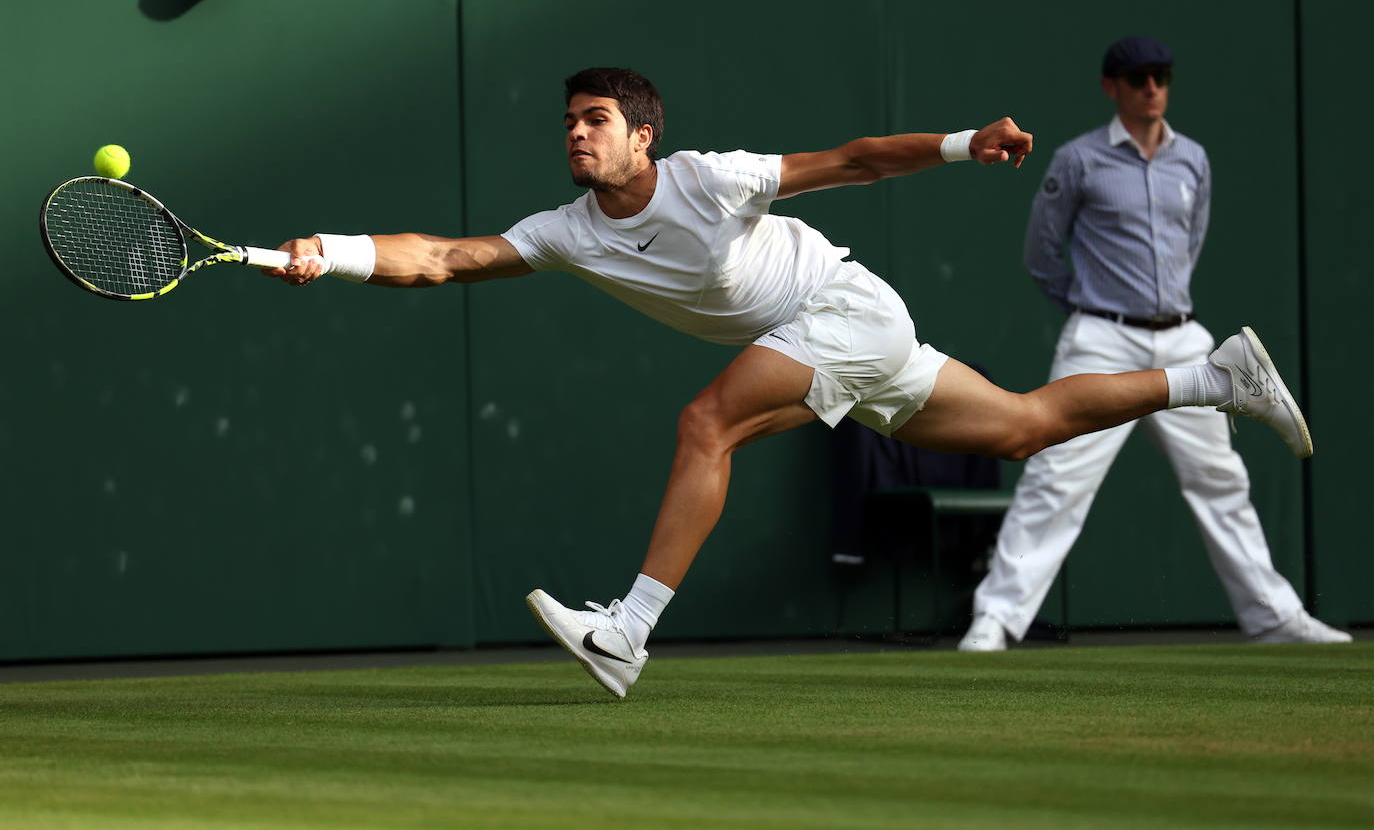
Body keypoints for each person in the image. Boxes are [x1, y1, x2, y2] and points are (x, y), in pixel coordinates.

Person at [267, 66, 1317, 697]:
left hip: (847, 312)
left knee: (705, 423)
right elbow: (446, 258)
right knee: (1026, 429)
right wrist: (338, 248)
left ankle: (628, 630)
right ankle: (1211, 377)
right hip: (846, 341)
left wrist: (968, 143)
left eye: (597, 120)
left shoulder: (708, 180)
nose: (578, 134)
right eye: (571, 121)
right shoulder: (569, 232)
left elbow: (854, 160)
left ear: (645, 134)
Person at [957, 37, 1351, 653]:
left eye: (1161, 76)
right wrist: (1095, 315)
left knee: (1221, 480)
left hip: (1185, 338)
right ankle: (996, 621)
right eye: (1138, 77)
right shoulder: (1078, 160)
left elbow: (1189, 245)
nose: (1152, 87)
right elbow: (1041, 254)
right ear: (1112, 86)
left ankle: (1275, 618)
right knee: (1056, 480)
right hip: (1100, 338)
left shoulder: (1192, 159)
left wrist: (1161, 314)